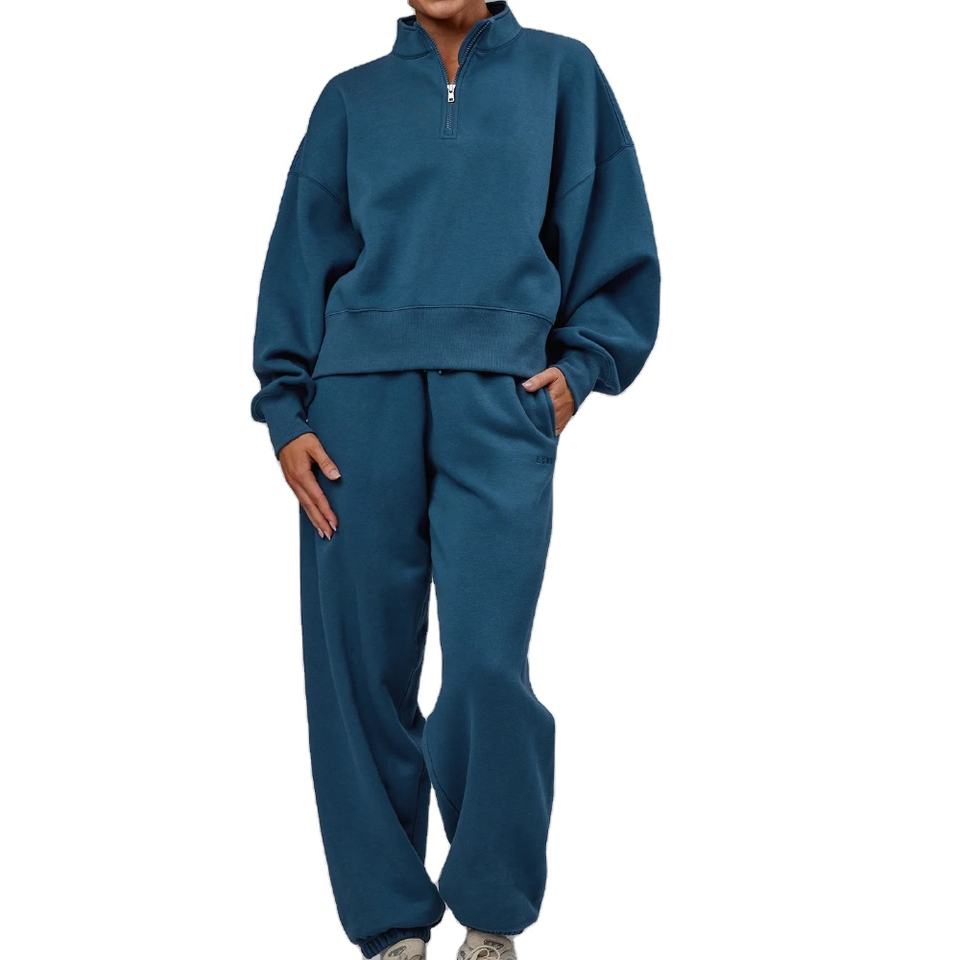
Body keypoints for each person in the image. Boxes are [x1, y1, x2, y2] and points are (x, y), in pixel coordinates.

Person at [251, 1, 659, 956]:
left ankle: (493, 913)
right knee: (359, 672)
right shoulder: (349, 100)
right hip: (354, 416)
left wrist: (582, 370)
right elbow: (298, 261)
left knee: (487, 667)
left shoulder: (562, 75)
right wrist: (286, 414)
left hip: (499, 404)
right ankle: (391, 925)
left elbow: (616, 241)